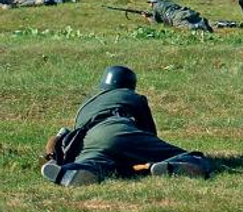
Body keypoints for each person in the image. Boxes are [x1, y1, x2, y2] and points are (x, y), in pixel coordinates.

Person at [41, 65, 211, 186]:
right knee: (195, 157)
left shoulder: (86, 105)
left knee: (93, 162)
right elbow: (149, 131)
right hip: (122, 130)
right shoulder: (131, 96)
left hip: (92, 138)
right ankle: (175, 165)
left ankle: (69, 171)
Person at [146, 0, 214, 32]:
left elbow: (156, 22)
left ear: (153, 2)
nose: (149, 5)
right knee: (204, 22)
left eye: (150, 2)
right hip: (185, 12)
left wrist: (148, 17)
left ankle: (199, 25)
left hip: (177, 17)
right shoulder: (168, 2)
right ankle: (218, 24)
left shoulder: (156, 6)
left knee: (183, 27)